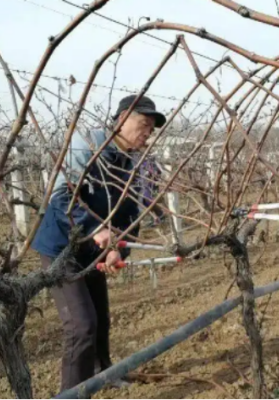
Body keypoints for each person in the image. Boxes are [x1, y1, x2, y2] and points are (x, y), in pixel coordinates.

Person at [31, 95, 166, 392]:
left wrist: (118, 249)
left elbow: (130, 215)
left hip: (94, 250)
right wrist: (96, 229)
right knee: (81, 326)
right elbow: (62, 198)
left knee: (100, 320)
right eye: (143, 124)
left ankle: (104, 374)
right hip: (61, 248)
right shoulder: (88, 146)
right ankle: (73, 394)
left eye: (151, 129)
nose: (147, 133)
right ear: (121, 120)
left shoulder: (130, 163)